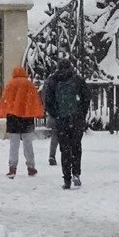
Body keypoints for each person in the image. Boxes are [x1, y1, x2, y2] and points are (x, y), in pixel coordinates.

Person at [41, 59, 90, 190]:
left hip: (61, 119)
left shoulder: (54, 80)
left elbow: (48, 100)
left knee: (64, 149)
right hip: (75, 118)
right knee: (76, 146)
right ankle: (76, 173)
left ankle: (67, 178)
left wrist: (55, 114)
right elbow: (86, 97)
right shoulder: (77, 79)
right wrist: (81, 113)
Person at [0, 65, 45, 179]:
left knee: (14, 144)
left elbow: (5, 100)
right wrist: (37, 112)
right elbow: (34, 100)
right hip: (27, 117)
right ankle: (31, 167)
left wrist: (3, 111)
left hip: (13, 118)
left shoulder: (10, 84)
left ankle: (12, 168)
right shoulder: (28, 84)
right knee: (28, 143)